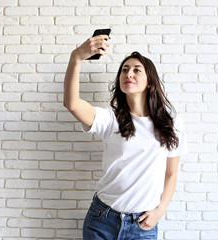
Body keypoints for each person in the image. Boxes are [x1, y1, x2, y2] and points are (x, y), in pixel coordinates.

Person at [63, 35, 188, 240]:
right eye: (124, 69)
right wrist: (76, 57)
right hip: (102, 219)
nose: (128, 73)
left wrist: (160, 209)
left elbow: (171, 174)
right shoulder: (110, 119)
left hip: (142, 225)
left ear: (150, 82)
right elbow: (72, 104)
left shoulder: (172, 123)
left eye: (137, 70)